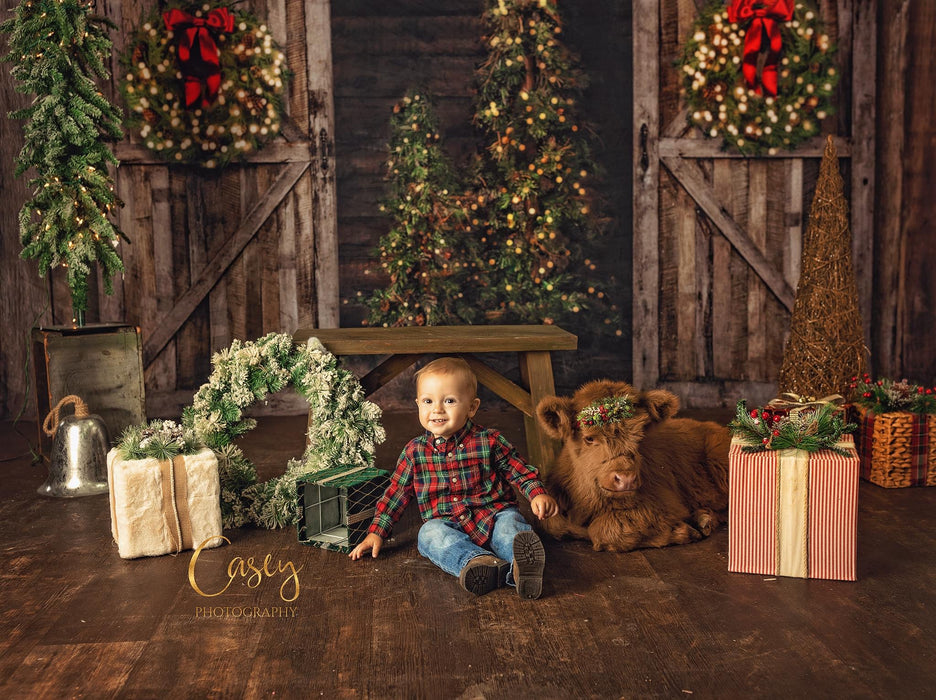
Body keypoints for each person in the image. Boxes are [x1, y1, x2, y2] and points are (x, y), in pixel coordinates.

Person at [349, 357, 559, 598]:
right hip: (449, 525)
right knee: (429, 535)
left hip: (494, 514)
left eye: (449, 401)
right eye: (428, 401)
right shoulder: (414, 452)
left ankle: (521, 566)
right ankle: (477, 562)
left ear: (472, 407)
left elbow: (518, 469)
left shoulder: (489, 441)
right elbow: (396, 494)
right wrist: (377, 531)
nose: (437, 409)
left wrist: (537, 493)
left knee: (510, 525)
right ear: (418, 404)